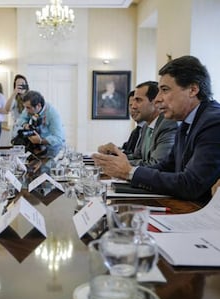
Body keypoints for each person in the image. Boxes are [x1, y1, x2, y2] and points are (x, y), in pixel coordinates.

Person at [93, 55, 220, 204]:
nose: (158, 99)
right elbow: (166, 167)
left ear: (192, 89)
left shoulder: (213, 122)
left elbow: (191, 184)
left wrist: (130, 172)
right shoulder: (186, 121)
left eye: (165, 90)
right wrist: (124, 170)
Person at [99, 81, 178, 166]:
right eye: (132, 103)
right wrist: (111, 158)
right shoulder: (145, 127)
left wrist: (118, 164)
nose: (133, 106)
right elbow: (137, 157)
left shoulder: (168, 125)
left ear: (155, 103)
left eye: (138, 100)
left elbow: (157, 164)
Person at [17, 90, 65, 157]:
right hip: (37, 149)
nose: (26, 110)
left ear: (38, 105)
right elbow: (21, 119)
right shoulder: (29, 109)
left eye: (28, 108)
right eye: (25, 107)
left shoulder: (52, 114)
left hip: (53, 150)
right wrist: (25, 125)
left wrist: (41, 141)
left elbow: (58, 138)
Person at [2, 74, 29, 139]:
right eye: (18, 85)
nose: (21, 86)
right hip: (18, 129)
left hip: (29, 128)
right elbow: (7, 109)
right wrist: (14, 93)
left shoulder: (31, 96)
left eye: (22, 84)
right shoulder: (14, 98)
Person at [121, 90, 145, 158]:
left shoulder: (151, 130)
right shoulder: (135, 131)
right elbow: (127, 151)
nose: (133, 108)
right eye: (130, 105)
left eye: (137, 104)